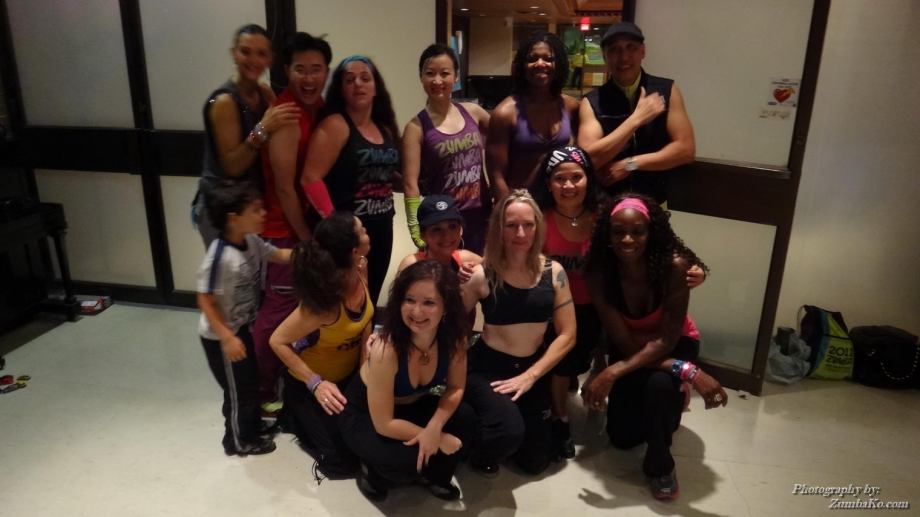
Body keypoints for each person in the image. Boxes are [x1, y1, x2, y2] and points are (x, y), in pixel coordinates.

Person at [530, 145, 707, 460]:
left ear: (589, 179)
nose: (568, 185)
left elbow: (667, 244)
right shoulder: (541, 220)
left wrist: (698, 270)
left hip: (613, 308)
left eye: (576, 177)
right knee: (569, 368)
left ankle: (659, 393)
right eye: (559, 178)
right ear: (548, 183)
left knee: (635, 369)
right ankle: (561, 417)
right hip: (569, 307)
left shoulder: (606, 214)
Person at [582, 194, 726, 501]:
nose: (627, 239)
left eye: (638, 231)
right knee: (622, 438)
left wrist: (611, 373)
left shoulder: (674, 267)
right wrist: (688, 372)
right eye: (618, 231)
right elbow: (624, 343)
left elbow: (668, 340)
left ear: (651, 233)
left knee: (659, 387)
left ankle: (660, 466)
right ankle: (676, 390)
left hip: (675, 342)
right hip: (630, 346)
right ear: (607, 234)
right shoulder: (598, 273)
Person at [339, 260, 476, 502]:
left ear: (446, 306)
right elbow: (384, 423)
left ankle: (435, 477)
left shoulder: (454, 338)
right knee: (404, 464)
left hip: (411, 405)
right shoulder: (387, 348)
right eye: (409, 300)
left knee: (466, 419)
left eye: (429, 303)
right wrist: (437, 438)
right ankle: (372, 473)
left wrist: (434, 427)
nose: (416, 312)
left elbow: (456, 387)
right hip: (367, 415)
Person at [463, 189, 576, 476]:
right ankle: (473, 428)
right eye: (511, 225)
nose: (521, 233)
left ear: (538, 227)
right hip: (488, 368)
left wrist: (532, 375)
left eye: (528, 224)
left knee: (535, 462)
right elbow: (449, 322)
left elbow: (568, 334)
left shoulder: (554, 272)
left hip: (531, 369)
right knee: (507, 435)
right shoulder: (482, 274)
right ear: (499, 229)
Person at [251, 32, 332, 412]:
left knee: (305, 312)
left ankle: (289, 383)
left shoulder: (318, 107)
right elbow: (285, 189)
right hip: (284, 232)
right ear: (287, 71)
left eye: (317, 69)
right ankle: (263, 392)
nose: (309, 78)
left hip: (305, 229)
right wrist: (306, 240)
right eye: (301, 69)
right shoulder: (286, 115)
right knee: (277, 315)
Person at [268, 212, 372, 479]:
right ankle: (293, 413)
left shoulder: (361, 267)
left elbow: (366, 321)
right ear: (353, 250)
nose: (368, 233)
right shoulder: (324, 302)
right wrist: (315, 383)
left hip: (348, 378)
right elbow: (277, 341)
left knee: (366, 443)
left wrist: (363, 374)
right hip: (310, 386)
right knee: (342, 465)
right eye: (363, 230)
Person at [196, 180, 292, 456]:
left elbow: (279, 255)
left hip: (241, 329)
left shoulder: (251, 242)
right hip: (221, 337)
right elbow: (205, 299)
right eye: (255, 210)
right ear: (233, 218)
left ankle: (250, 426)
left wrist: (311, 252)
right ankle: (238, 441)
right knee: (238, 390)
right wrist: (227, 337)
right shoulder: (219, 257)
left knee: (249, 381)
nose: (263, 214)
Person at [300, 55, 401, 307]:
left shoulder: (384, 127)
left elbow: (384, 175)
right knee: (344, 306)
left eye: (365, 78)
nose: (358, 84)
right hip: (347, 236)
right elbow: (310, 178)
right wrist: (338, 226)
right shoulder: (336, 125)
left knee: (369, 299)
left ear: (375, 87)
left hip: (382, 228)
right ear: (341, 89)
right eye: (349, 80)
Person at [193, 24, 300, 247]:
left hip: (246, 206)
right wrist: (263, 127)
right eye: (245, 51)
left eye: (261, 54)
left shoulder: (263, 93)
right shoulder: (224, 101)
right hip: (222, 209)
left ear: (270, 59)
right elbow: (233, 166)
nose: (253, 60)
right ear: (234, 53)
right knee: (228, 267)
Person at [578, 21, 695, 204]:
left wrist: (631, 164)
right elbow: (587, 159)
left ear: (643, 51)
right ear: (605, 56)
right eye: (614, 50)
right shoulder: (592, 101)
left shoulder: (666, 90)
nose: (624, 57)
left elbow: (686, 150)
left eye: (631, 47)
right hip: (606, 204)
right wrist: (636, 119)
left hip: (654, 203)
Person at [402, 44, 491, 254]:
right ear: (421, 77)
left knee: (482, 271)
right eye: (430, 73)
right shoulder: (415, 128)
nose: (437, 81)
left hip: (482, 215)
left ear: (456, 76)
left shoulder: (474, 112)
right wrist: (415, 227)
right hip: (444, 223)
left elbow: (504, 141)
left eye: (445, 73)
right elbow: (410, 184)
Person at [486, 31, 579, 202]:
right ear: (522, 65)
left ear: (559, 65)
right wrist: (508, 210)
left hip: (559, 204)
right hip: (521, 203)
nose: (540, 64)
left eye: (549, 59)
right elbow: (496, 175)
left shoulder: (571, 106)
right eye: (532, 59)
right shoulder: (505, 113)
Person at [396, 195, 482, 313]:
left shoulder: (465, 259)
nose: (446, 235)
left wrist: (475, 269)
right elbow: (397, 312)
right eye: (436, 229)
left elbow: (499, 266)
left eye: (452, 226)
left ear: (460, 230)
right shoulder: (412, 264)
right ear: (422, 234)